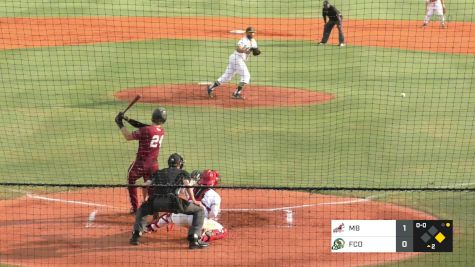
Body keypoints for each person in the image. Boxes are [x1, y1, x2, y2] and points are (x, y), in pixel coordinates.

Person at [129, 153, 209, 249]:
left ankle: (135, 236)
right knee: (198, 211)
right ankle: (194, 240)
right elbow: (187, 185)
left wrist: (145, 199)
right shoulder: (183, 172)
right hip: (172, 202)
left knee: (142, 210)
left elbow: (145, 185)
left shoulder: (158, 172)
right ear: (180, 164)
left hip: (155, 202)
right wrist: (194, 200)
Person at [146, 169, 228, 243]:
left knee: (170, 215)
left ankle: (149, 227)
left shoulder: (192, 188)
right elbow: (213, 214)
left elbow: (180, 189)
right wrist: (208, 218)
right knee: (222, 230)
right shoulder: (215, 196)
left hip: (180, 218)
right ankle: (201, 238)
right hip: (197, 221)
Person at [114, 108, 167, 214]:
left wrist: (120, 123)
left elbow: (128, 136)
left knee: (131, 180)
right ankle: (154, 209)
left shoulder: (146, 130)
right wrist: (127, 119)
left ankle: (135, 208)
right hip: (154, 165)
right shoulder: (161, 131)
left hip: (141, 163)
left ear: (152, 117)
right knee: (151, 186)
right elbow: (143, 126)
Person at [207, 26, 260, 100]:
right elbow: (238, 48)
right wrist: (244, 51)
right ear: (247, 33)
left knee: (227, 77)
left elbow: (255, 50)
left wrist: (256, 51)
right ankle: (236, 93)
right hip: (237, 58)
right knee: (246, 76)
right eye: (250, 32)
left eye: (253, 32)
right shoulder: (243, 40)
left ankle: (211, 87)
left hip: (236, 59)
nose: (251, 34)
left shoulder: (254, 41)